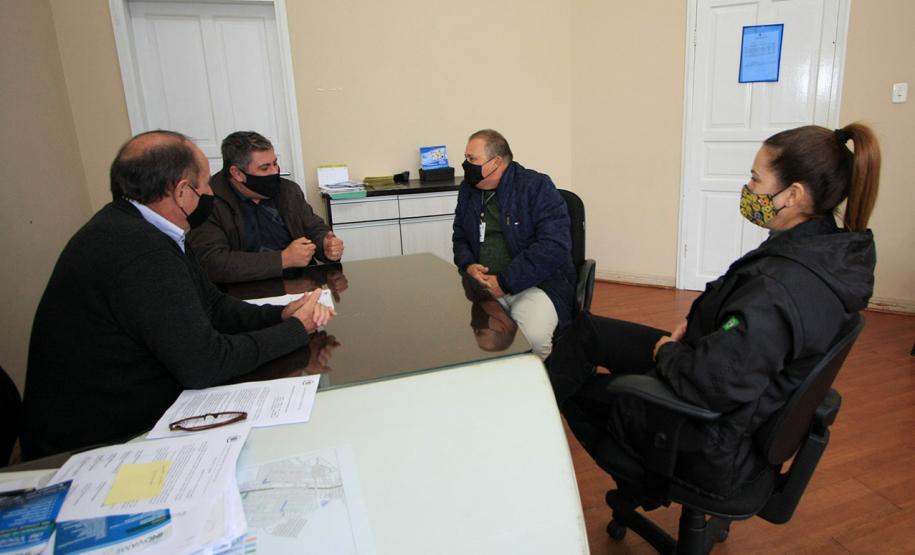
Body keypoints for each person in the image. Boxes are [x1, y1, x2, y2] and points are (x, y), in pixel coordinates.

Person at [548, 123, 880, 497]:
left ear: (793, 195)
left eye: (755, 179)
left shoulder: (779, 287)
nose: (748, 188)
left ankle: (645, 481)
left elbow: (713, 386)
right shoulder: (825, 250)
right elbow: (747, 333)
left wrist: (668, 353)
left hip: (709, 437)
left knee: (579, 391)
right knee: (586, 332)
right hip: (715, 363)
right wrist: (701, 322)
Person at [20, 131, 335, 460]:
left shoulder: (145, 229)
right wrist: (295, 330)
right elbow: (206, 364)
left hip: (131, 407)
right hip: (95, 445)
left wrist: (279, 314)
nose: (211, 192)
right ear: (183, 191)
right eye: (205, 184)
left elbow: (212, 305)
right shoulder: (140, 252)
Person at [452, 129, 575, 359]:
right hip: (484, 287)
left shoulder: (535, 186)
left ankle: (540, 380)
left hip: (537, 284)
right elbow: (460, 235)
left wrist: (505, 282)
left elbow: (553, 246)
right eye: (466, 157)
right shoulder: (469, 190)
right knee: (469, 336)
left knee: (531, 340)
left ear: (496, 161)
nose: (466, 165)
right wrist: (468, 265)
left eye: (472, 159)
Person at [187, 131, 344, 283]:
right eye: (264, 168)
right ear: (237, 173)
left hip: (299, 280)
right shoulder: (207, 201)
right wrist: (282, 260)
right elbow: (212, 262)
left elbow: (313, 227)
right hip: (242, 289)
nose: (274, 171)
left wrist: (325, 245)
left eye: (275, 163)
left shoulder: (287, 190)